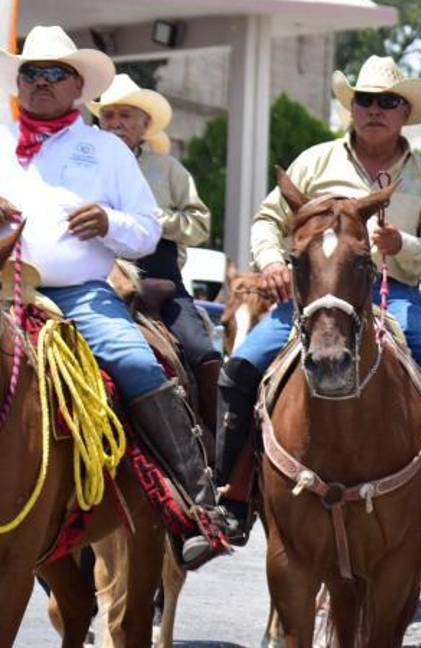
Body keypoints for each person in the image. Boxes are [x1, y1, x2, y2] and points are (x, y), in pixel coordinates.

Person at [215, 55, 421, 549]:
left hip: (391, 297)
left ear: (405, 113)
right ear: (351, 108)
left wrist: (405, 246)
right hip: (313, 298)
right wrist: (272, 261)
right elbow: (267, 221)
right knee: (241, 368)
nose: (375, 109)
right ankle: (230, 494)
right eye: (365, 101)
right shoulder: (314, 162)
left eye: (388, 102)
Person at [0, 26, 225, 566]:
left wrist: (108, 222)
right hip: (1, 286)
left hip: (78, 292)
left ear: (78, 84)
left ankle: (193, 501)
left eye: (55, 73)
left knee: (135, 360)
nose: (41, 82)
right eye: (32, 72)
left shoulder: (103, 148)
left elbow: (147, 229)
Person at [88, 74, 220, 432]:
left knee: (204, 355)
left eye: (126, 115)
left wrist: (157, 221)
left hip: (162, 282)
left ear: (145, 123)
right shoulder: (86, 164)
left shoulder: (168, 169)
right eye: (109, 115)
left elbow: (200, 224)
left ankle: (221, 452)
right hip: (97, 278)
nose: (116, 123)